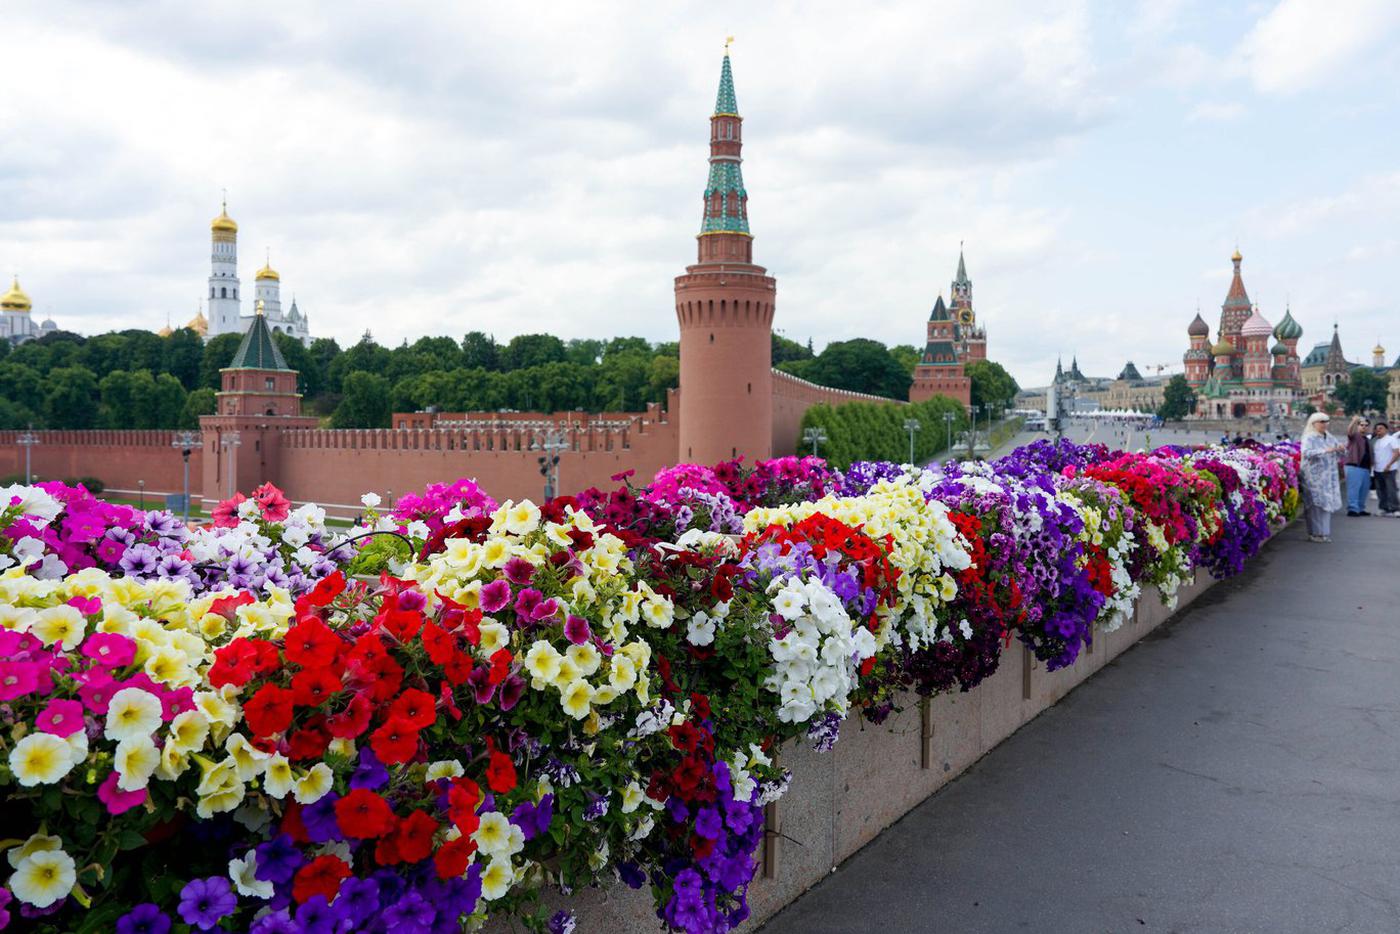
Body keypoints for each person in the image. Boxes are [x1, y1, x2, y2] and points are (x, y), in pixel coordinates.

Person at [1299, 412, 1344, 542]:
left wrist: (1340, 449)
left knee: (1326, 504)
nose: (1325, 424)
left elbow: (1340, 454)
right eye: (1322, 422)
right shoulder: (1309, 438)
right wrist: (1325, 451)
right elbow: (1306, 453)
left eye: (1326, 421)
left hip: (1328, 477)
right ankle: (1314, 533)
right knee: (1314, 505)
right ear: (1314, 424)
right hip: (1313, 477)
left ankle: (1324, 533)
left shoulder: (1329, 437)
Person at [1343, 415, 1373, 516]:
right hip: (1354, 466)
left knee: (1364, 489)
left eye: (1366, 425)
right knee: (1354, 489)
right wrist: (1354, 421)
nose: (1364, 427)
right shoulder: (1354, 436)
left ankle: (1360, 508)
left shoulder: (1367, 439)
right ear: (1358, 426)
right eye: (1361, 425)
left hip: (1365, 468)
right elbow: (1349, 432)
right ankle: (1353, 509)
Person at [1372, 421, 1400, 516]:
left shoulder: (1391, 439)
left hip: (1389, 469)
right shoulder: (1375, 440)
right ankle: (1384, 509)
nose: (1378, 430)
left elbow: (1397, 453)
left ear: (1386, 430)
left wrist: (1389, 465)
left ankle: (1395, 509)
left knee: (1391, 489)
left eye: (1381, 428)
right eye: (1377, 429)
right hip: (1377, 469)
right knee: (1380, 490)